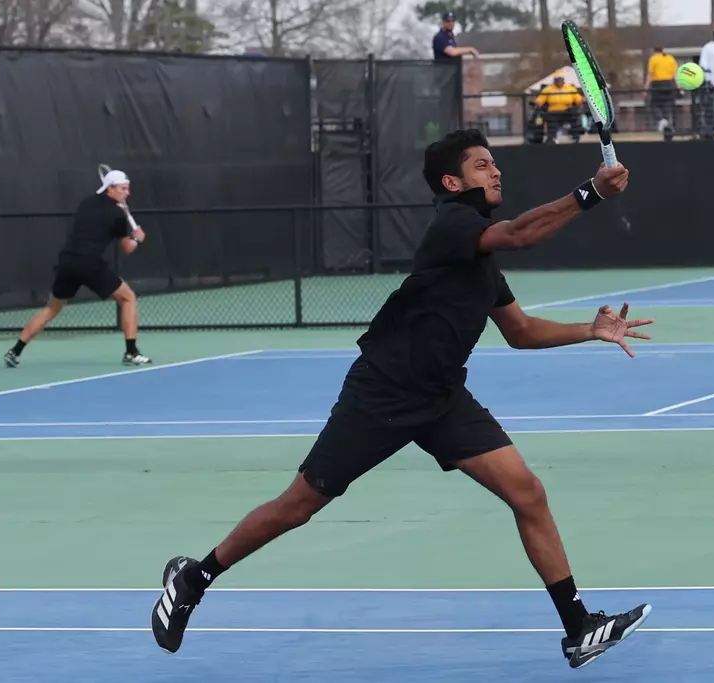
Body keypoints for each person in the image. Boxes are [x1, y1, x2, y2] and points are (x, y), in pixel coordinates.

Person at [148, 129, 655, 669]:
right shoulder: (453, 225)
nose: (496, 171)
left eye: (495, 163)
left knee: (527, 493)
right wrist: (590, 193)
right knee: (298, 506)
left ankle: (579, 629)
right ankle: (195, 578)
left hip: (442, 398)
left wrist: (589, 331)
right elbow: (521, 234)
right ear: (452, 182)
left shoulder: (481, 259)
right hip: (384, 391)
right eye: (483, 165)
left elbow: (521, 331)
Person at [3, 170, 151, 368]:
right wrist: (137, 238)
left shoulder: (86, 203)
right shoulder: (117, 215)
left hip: (67, 262)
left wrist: (121, 213)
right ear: (110, 188)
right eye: (123, 189)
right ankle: (131, 352)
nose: (127, 193)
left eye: (128, 189)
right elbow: (127, 248)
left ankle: (15, 351)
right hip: (89, 263)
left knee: (51, 308)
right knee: (128, 298)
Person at [644, 46, 679, 138]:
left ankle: (661, 120)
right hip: (669, 84)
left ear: (654, 51)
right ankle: (666, 126)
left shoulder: (653, 59)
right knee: (667, 105)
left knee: (654, 105)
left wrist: (646, 88)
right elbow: (675, 75)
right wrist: (679, 87)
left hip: (657, 84)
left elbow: (650, 74)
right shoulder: (670, 58)